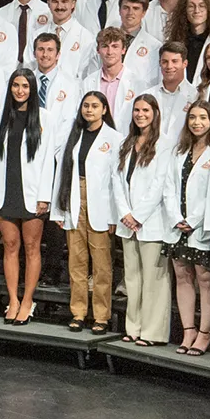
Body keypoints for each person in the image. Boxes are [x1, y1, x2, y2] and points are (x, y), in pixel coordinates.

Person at [50, 91, 123, 333]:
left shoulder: (113, 138)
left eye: (94, 106)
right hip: (75, 200)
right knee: (77, 263)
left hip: (101, 205)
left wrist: (114, 215)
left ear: (104, 109)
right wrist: (60, 211)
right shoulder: (75, 135)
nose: (89, 110)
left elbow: (117, 181)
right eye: (85, 105)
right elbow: (63, 173)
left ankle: (101, 316)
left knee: (102, 266)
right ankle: (78, 312)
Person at [110, 95, 178, 347]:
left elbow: (160, 185)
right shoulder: (126, 143)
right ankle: (133, 328)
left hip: (151, 222)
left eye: (145, 110)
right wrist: (125, 213)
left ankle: (152, 332)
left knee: (154, 280)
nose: (140, 114)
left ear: (155, 113)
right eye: (137, 110)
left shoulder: (165, 144)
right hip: (128, 224)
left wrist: (137, 215)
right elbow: (117, 180)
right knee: (132, 279)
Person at [0, 69, 53, 325]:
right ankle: (13, 300)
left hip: (32, 192)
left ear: (32, 88)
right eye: (16, 85)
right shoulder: (1, 116)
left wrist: (44, 196)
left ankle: (28, 301)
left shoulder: (45, 118)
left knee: (31, 248)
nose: (20, 90)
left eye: (25, 86)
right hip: (6, 190)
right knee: (10, 247)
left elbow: (49, 160)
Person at [162, 0, 210, 81]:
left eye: (202, 6)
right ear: (184, 10)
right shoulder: (175, 41)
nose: (196, 10)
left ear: (208, 10)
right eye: (191, 6)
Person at [84, 27, 139, 127]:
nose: (110, 52)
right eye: (105, 46)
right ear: (98, 50)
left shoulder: (138, 84)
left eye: (115, 46)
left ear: (123, 50)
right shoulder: (87, 83)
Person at [41, 0, 96, 77]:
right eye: (55, 2)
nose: (59, 7)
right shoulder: (36, 34)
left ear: (73, 4)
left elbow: (87, 74)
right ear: (48, 4)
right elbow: (30, 68)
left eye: (64, 2)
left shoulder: (86, 37)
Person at [142, 43, 194, 138]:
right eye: (165, 61)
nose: (169, 66)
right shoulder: (147, 96)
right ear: (159, 63)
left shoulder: (195, 96)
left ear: (184, 64)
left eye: (174, 61)